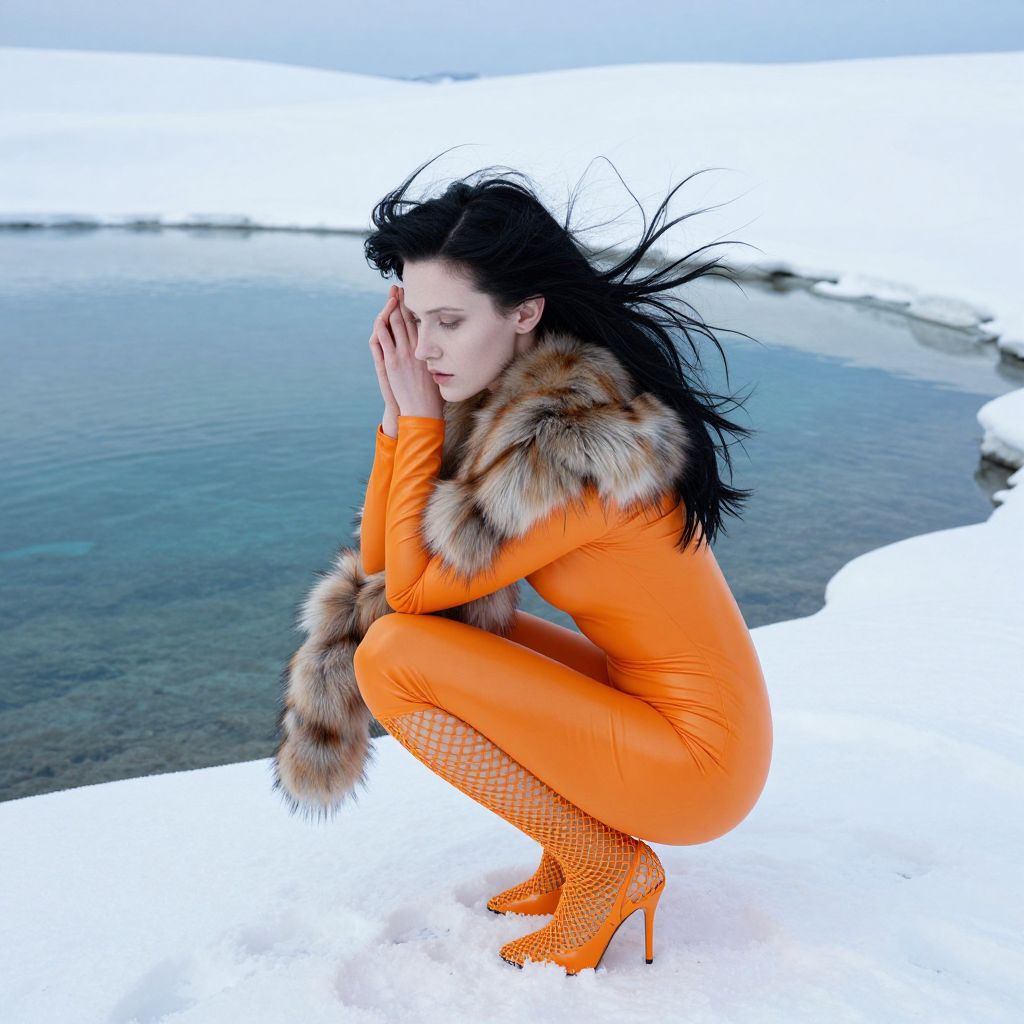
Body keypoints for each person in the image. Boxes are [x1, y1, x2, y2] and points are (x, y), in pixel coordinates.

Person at [274, 153, 773, 976]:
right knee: (421, 634)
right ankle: (574, 851)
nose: (424, 349)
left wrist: (419, 422)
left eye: (449, 321)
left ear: (525, 312)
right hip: (644, 712)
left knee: (395, 655)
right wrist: (399, 420)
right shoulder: (510, 413)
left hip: (699, 762)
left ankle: (603, 863)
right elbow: (383, 573)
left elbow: (409, 592)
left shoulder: (576, 445)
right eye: (414, 321)